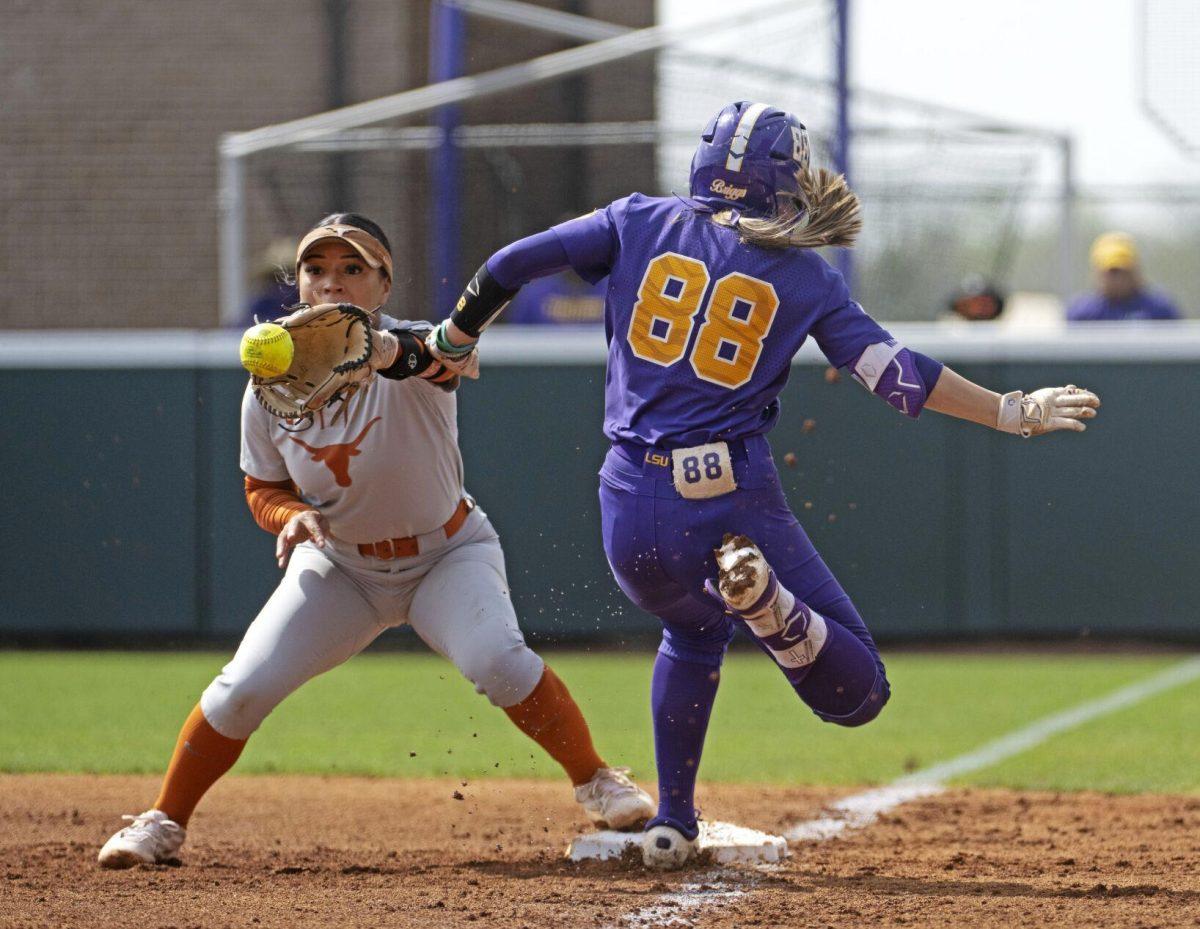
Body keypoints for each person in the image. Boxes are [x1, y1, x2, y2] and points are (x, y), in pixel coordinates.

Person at [424, 102, 1101, 869]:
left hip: (623, 504)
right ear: (784, 179)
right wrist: (1011, 410)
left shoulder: (636, 217)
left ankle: (674, 820)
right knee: (858, 694)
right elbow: (897, 379)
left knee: (693, 629)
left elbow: (511, 262)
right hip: (723, 502)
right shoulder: (806, 275)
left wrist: (454, 335)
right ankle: (771, 607)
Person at [97, 213, 653, 869]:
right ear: (300, 285)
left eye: (352, 269)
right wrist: (289, 518)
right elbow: (262, 486)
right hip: (340, 567)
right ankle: (163, 819)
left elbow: (446, 356)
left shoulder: (418, 346)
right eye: (317, 269)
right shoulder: (272, 384)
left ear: (383, 286)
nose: (331, 282)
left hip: (446, 554)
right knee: (241, 688)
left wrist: (382, 350)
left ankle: (595, 778)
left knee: (499, 660)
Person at [1066, 232, 1180, 321]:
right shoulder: (1083, 314)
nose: (1118, 279)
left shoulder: (1159, 310)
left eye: (1124, 271)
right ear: (1098, 273)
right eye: (1112, 272)